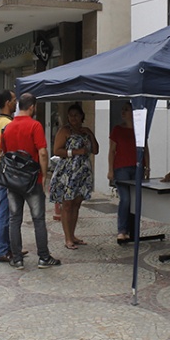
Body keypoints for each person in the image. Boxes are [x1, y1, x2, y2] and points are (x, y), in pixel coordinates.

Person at [1, 93, 60, 270]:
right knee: (38, 219)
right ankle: (43, 257)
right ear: (32, 107)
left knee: (14, 219)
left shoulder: (8, 128)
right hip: (32, 180)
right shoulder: (35, 125)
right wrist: (43, 176)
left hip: (13, 180)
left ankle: (17, 258)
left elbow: (4, 153)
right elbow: (42, 152)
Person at [49, 103, 99, 250]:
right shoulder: (64, 131)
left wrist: (90, 134)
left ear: (82, 116)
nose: (73, 118)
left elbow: (95, 150)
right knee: (67, 204)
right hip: (68, 172)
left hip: (82, 172)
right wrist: (75, 152)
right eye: (70, 115)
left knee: (77, 203)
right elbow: (57, 150)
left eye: (76, 115)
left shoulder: (85, 131)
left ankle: (73, 234)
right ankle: (67, 238)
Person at [108, 102, 149, 241]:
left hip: (137, 168)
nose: (123, 112)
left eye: (126, 109)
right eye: (122, 109)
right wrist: (110, 170)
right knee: (125, 199)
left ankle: (133, 229)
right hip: (121, 168)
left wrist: (147, 166)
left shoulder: (139, 129)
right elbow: (112, 151)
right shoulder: (117, 130)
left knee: (135, 200)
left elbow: (145, 149)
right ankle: (122, 229)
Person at [0, 90, 17, 263]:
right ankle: (2, 249)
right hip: (8, 172)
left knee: (6, 211)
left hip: (0, 170)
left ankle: (8, 247)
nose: (16, 102)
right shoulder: (8, 124)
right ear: (8, 102)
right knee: (6, 212)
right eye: (14, 99)